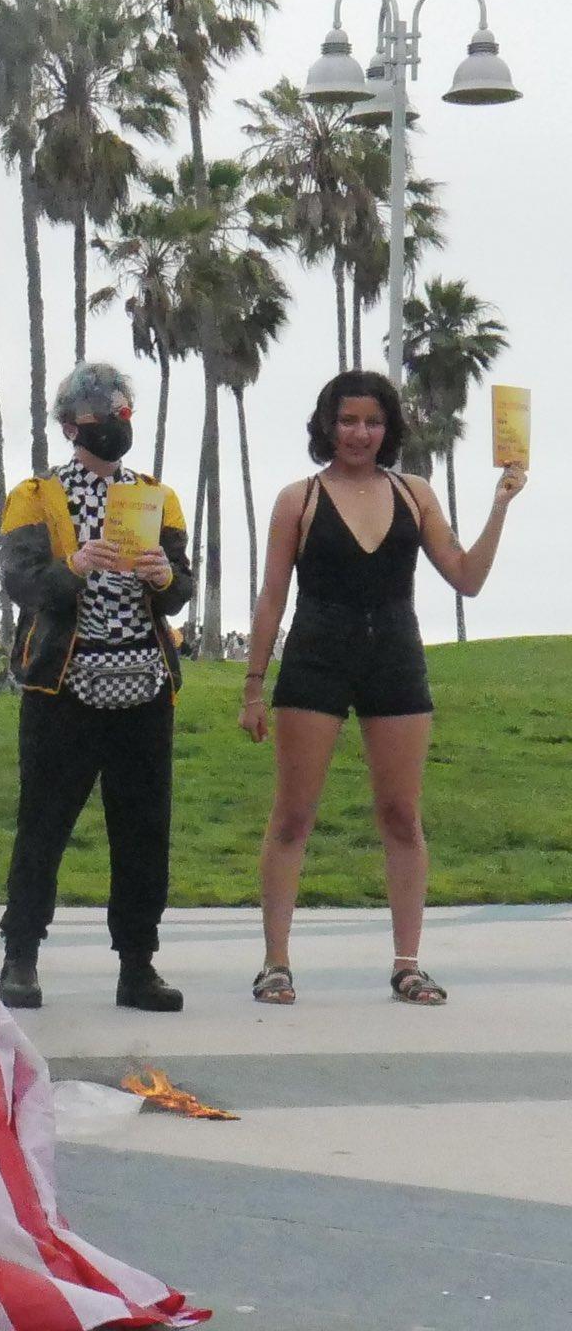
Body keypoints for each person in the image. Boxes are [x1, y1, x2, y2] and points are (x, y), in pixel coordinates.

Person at [242, 371, 525, 1007]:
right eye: (348, 420)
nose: (360, 433)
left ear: (388, 428)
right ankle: (275, 962)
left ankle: (407, 965)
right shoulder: (298, 499)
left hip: (395, 658)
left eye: (372, 422)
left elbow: (467, 577)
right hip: (315, 661)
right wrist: (253, 686)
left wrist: (501, 504)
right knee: (293, 815)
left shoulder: (414, 492)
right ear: (327, 425)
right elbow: (271, 598)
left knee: (401, 814)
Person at [0, 362, 192, 1013]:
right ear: (69, 427)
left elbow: (181, 589)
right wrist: (75, 565)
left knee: (143, 832)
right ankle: (20, 954)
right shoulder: (35, 496)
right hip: (64, 689)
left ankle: (138, 964)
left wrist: (165, 577)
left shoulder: (156, 497)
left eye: (122, 412)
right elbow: (21, 583)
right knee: (43, 825)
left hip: (144, 687)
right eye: (99, 415)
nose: (113, 423)